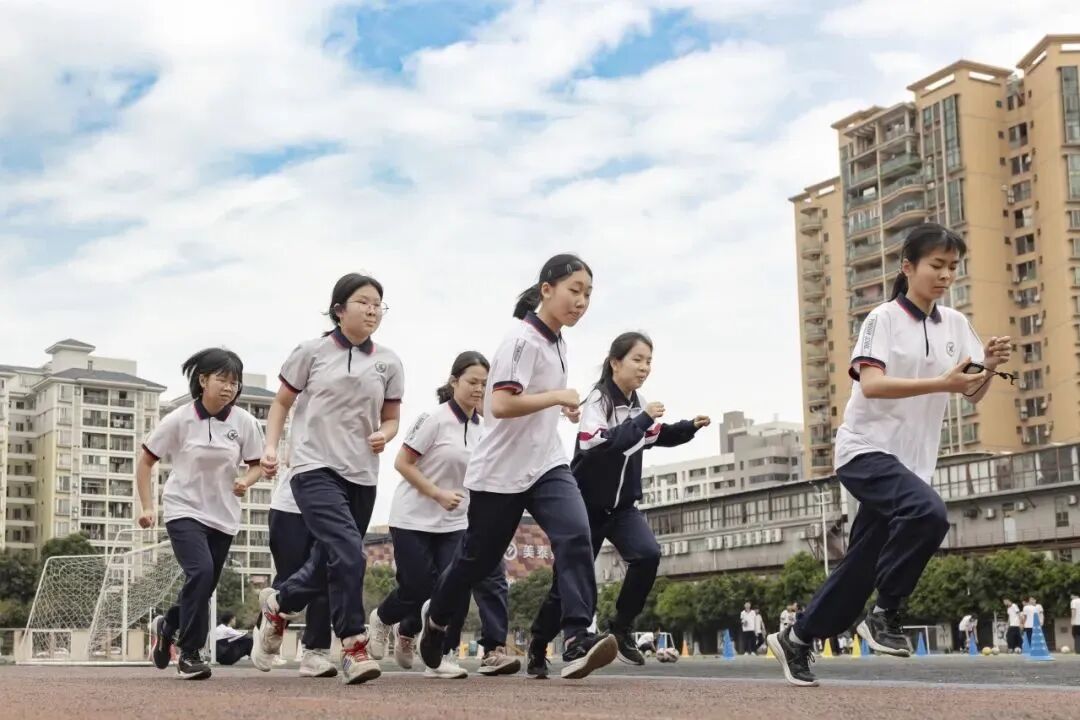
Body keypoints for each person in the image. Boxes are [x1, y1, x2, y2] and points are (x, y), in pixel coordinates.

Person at [767, 223, 1012, 687]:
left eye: (952, 267)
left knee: (862, 565)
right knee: (929, 514)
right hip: (865, 450)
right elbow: (873, 384)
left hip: (911, 464)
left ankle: (796, 638)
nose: (945, 275)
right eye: (936, 265)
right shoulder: (882, 319)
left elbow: (971, 392)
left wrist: (990, 367)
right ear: (908, 267)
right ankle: (885, 613)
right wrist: (943, 381)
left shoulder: (956, 324)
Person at [417, 254, 619, 682]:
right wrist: (558, 397)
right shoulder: (521, 340)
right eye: (574, 291)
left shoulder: (558, 342)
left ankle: (578, 636)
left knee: (576, 535)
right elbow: (502, 404)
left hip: (546, 463)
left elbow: (535, 400)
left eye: (588, 295)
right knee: (476, 560)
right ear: (546, 289)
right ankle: (435, 620)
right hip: (500, 472)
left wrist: (560, 407)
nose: (581, 302)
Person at [252, 273, 404, 685]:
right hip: (313, 467)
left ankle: (279, 604)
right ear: (339, 309)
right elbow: (281, 403)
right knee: (350, 553)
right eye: (363, 302)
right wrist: (270, 448)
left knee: (330, 559)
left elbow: (392, 418)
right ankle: (353, 645)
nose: (372, 310)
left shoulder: (389, 362)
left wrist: (385, 434)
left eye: (378, 304)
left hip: (362, 474)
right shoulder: (311, 352)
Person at [528, 331, 710, 666]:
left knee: (647, 555)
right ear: (615, 362)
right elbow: (597, 444)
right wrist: (642, 420)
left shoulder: (638, 403)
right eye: (637, 360)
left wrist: (689, 427)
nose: (644, 368)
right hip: (585, 506)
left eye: (649, 362)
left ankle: (621, 627)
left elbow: (654, 436)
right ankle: (539, 644)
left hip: (622, 508)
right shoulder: (599, 401)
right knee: (567, 583)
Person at [367, 351, 517, 680]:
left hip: (455, 522)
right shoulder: (433, 419)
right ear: (454, 382)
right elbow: (402, 463)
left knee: (456, 586)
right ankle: (384, 618)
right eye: (472, 382)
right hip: (413, 518)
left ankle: (441, 655)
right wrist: (437, 493)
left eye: (485, 384)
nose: (479, 389)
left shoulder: (484, 428)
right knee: (417, 587)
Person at [140, 349, 264, 680]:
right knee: (201, 571)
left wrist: (246, 481)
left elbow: (256, 466)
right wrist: (147, 507)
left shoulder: (244, 422)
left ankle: (168, 624)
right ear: (203, 380)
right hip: (184, 509)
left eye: (235, 382)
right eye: (222, 379)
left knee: (203, 586)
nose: (229, 387)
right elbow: (146, 461)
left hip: (223, 515)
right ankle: (190, 653)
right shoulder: (178, 419)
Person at [267, 465, 336, 678]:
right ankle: (272, 616)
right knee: (290, 577)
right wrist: (270, 449)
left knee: (326, 574)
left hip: (331, 508)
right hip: (290, 508)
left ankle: (315, 651)